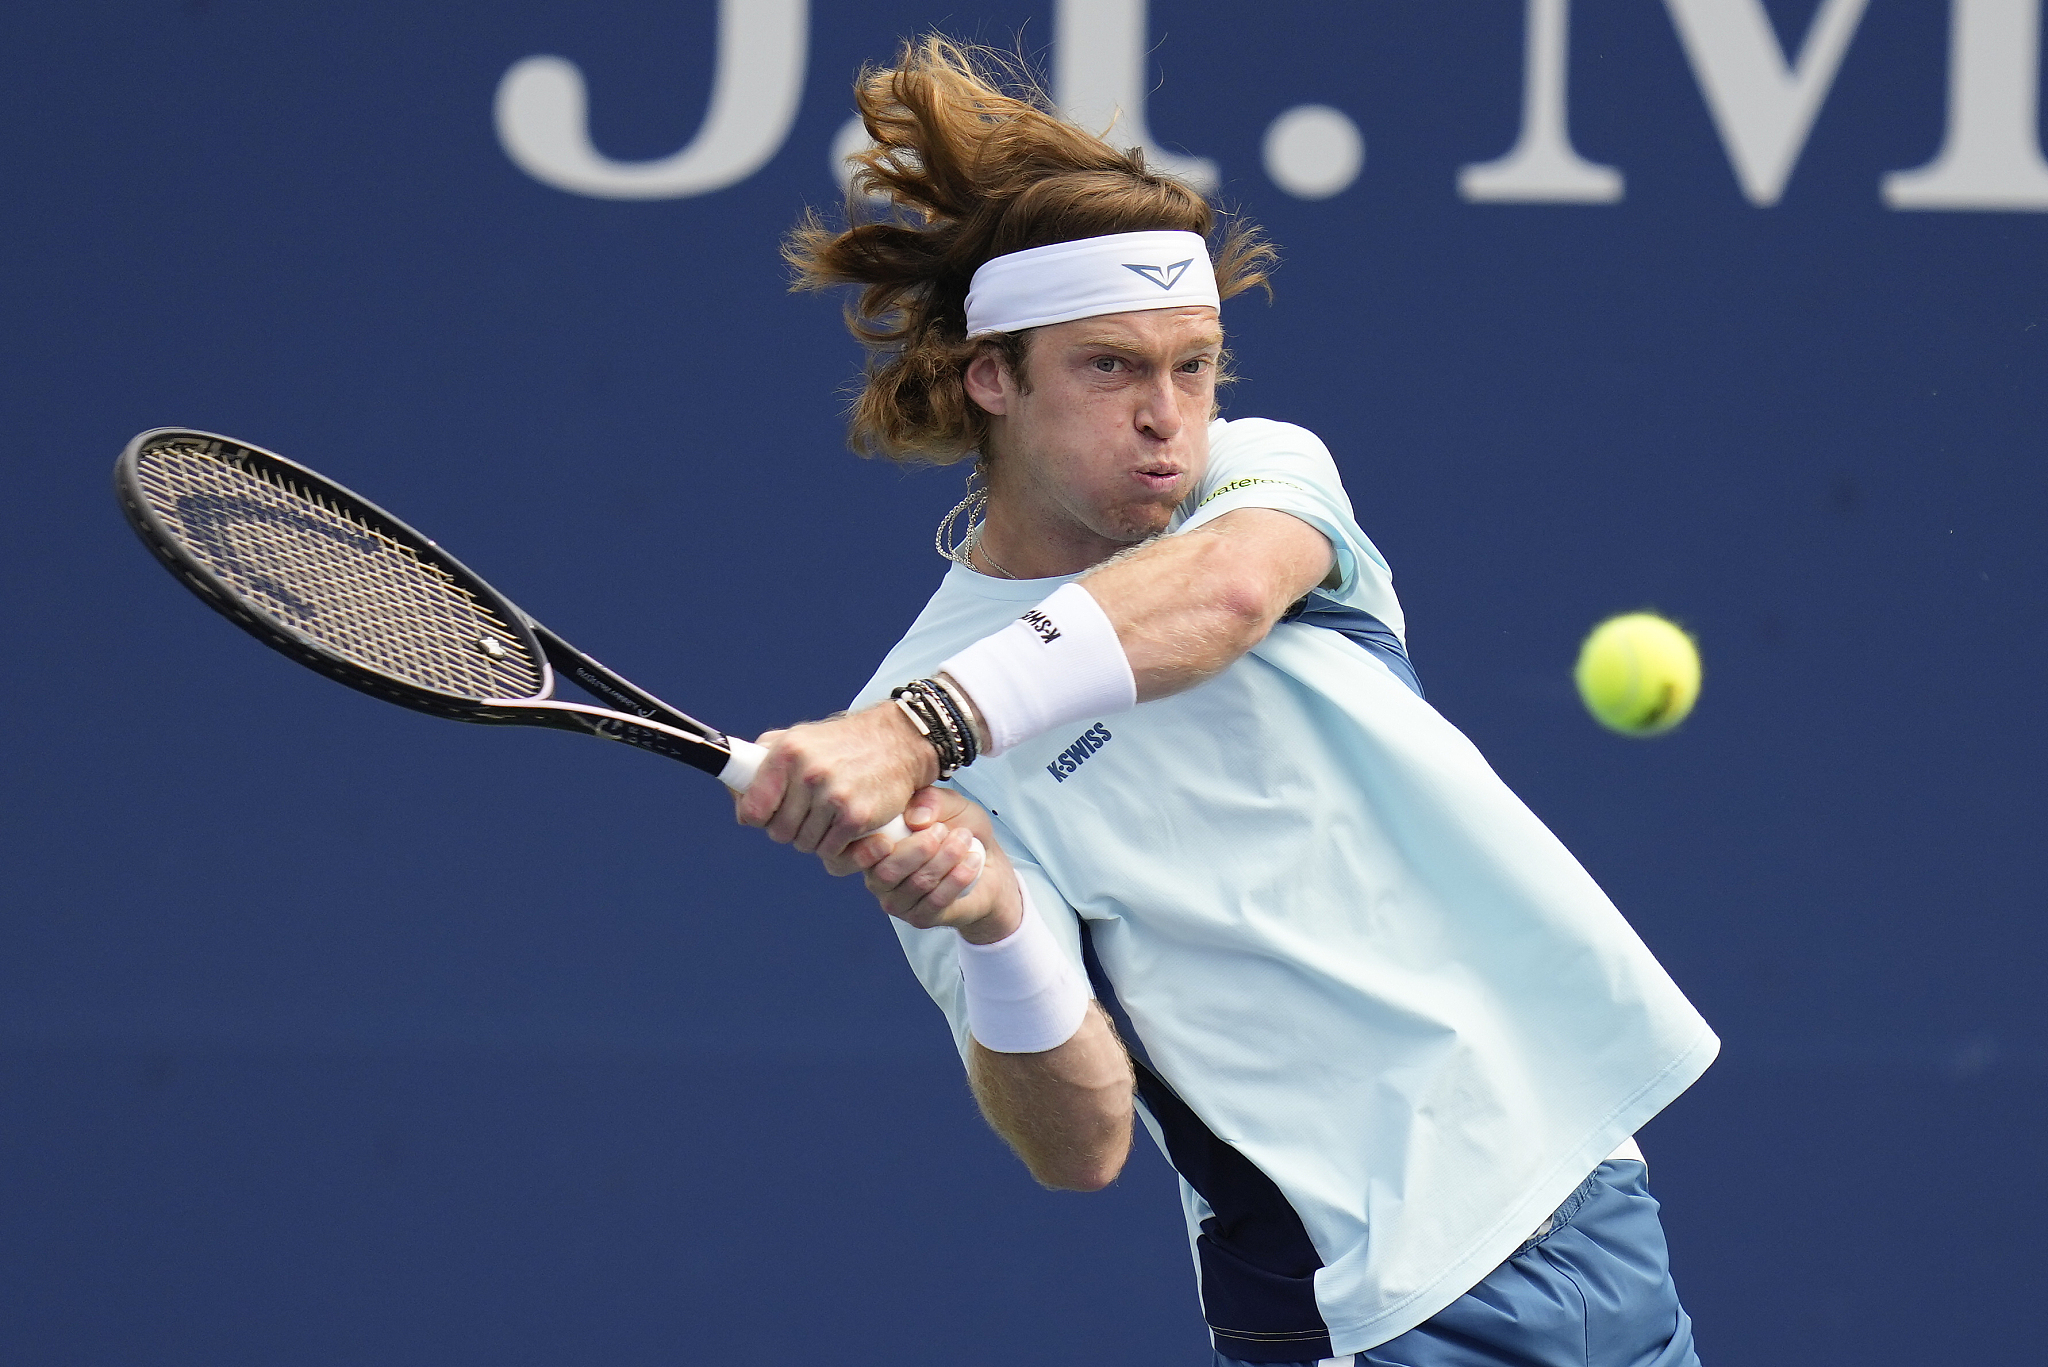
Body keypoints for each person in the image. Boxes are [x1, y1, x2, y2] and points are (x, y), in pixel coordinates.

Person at [735, 38, 1717, 1367]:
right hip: (1361, 1302)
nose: (1168, 420)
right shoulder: (924, 775)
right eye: (1109, 369)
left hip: (1588, 1202)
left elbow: (1226, 602)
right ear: (992, 379)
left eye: (1192, 366)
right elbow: (1078, 1144)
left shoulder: (1255, 486)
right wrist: (998, 920)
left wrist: (916, 730)